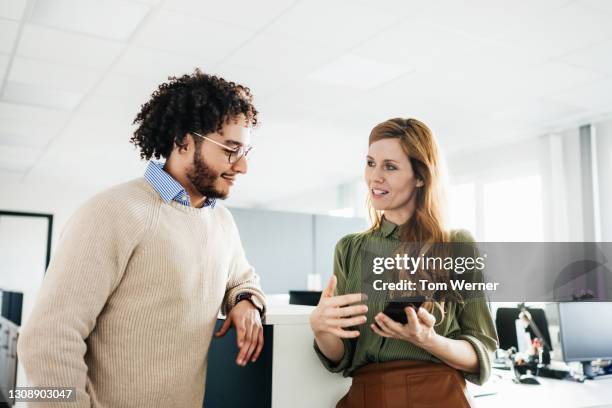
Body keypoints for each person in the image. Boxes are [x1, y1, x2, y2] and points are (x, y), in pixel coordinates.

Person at [17, 69, 267, 407]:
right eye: (230, 149)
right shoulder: (110, 213)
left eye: (245, 153)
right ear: (183, 140)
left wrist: (245, 302)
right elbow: (47, 339)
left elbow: (242, 278)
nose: (242, 167)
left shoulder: (222, 222)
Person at [309, 118, 498, 407]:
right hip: (366, 395)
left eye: (390, 166)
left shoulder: (457, 244)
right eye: (370, 163)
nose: (375, 177)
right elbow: (342, 356)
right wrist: (321, 328)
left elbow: (481, 353)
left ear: (420, 177)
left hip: (438, 396)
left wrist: (426, 339)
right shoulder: (349, 248)